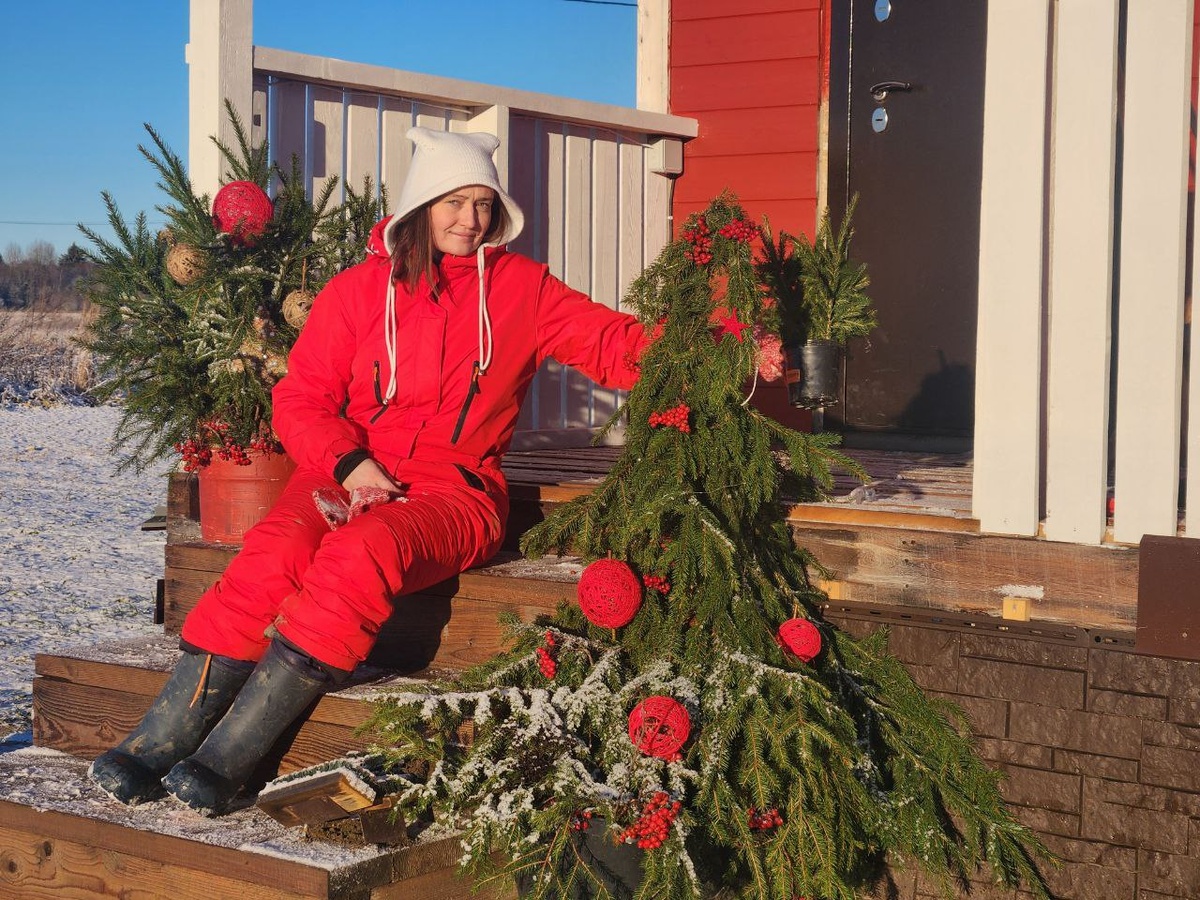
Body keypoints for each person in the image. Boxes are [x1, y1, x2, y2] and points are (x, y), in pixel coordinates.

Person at [89, 127, 650, 815]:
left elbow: (614, 343)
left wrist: (724, 350)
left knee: (362, 551)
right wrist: (351, 462)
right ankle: (160, 738)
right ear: (420, 205)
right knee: (274, 552)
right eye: (454, 201)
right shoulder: (358, 293)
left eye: (484, 204)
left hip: (455, 489)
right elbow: (299, 398)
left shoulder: (520, 289)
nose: (471, 220)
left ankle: (229, 755)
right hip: (343, 473)